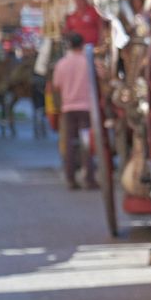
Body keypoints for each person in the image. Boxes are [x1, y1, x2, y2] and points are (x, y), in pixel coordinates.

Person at [51, 33, 97, 190]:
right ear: (82, 44)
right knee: (87, 143)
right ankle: (89, 177)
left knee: (70, 143)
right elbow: (100, 77)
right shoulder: (88, 62)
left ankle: (70, 177)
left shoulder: (62, 64)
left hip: (68, 107)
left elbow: (56, 85)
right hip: (86, 107)